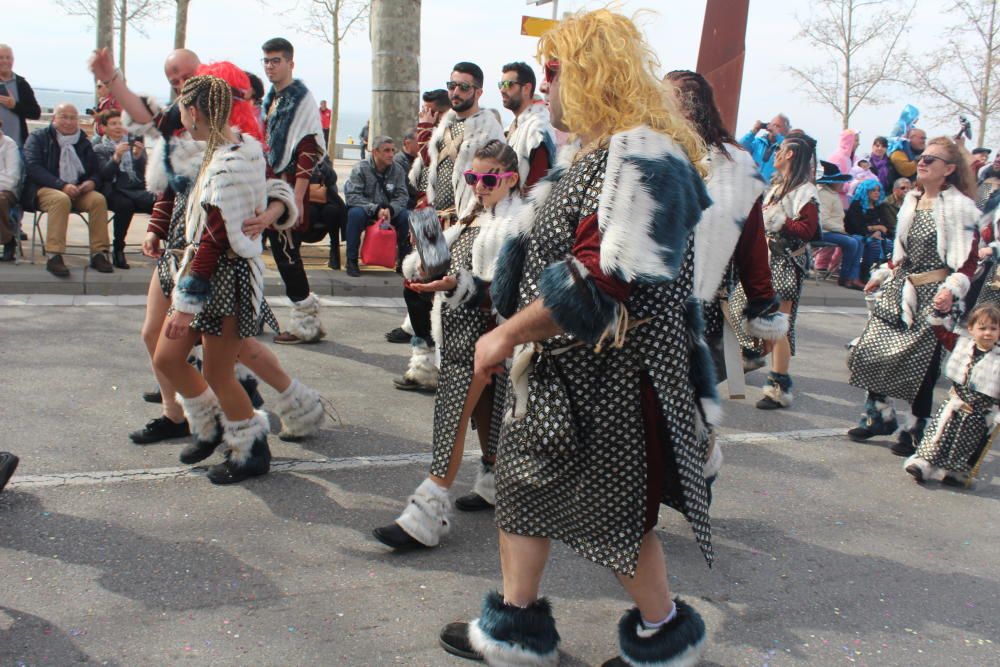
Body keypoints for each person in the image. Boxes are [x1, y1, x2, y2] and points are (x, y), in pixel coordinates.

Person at [436, 11, 713, 665]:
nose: (545, 87)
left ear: (586, 75)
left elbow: (597, 283)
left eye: (553, 73)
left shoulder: (644, 155)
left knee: (617, 516)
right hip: (571, 371)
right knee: (526, 488)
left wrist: (504, 333)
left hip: (614, 376)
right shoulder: (595, 153)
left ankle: (664, 634)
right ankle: (517, 625)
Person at [373, 140, 524, 550]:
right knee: (483, 417)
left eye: (488, 178)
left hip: (487, 338)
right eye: (472, 177)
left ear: (511, 178)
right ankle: (495, 485)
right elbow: (446, 269)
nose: (478, 185)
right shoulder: (470, 216)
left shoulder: (520, 224)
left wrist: (460, 285)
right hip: (456, 335)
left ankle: (425, 515)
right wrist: (425, 265)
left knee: (451, 421)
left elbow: (513, 294)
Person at [152, 74, 277, 485]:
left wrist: (186, 306)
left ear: (192, 111)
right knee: (167, 357)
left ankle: (251, 450)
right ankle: (210, 428)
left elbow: (212, 241)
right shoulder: (224, 149)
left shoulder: (230, 162)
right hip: (205, 272)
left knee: (220, 374)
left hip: (224, 278)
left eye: (183, 108)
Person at [847, 137, 980, 457]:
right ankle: (879, 415)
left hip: (935, 294)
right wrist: (881, 274)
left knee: (921, 365)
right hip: (900, 288)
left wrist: (951, 290)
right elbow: (900, 253)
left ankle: (916, 428)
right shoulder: (912, 199)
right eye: (922, 157)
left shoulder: (961, 207)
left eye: (931, 160)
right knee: (871, 351)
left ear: (948, 169)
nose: (923, 162)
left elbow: (968, 262)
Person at [664, 69, 785, 397]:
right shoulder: (653, 155)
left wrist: (762, 304)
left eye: (666, 101)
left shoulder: (734, 168)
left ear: (690, 109)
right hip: (645, 310)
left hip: (700, 312)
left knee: (690, 414)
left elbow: (752, 242)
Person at [395, 63, 504, 393]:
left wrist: (471, 220)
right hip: (432, 218)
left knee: (450, 293)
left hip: (463, 221)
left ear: (478, 92)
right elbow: (426, 173)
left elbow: (492, 178)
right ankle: (424, 363)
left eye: (464, 87)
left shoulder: (488, 131)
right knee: (414, 287)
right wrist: (421, 215)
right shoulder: (444, 125)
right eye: (452, 86)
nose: (456, 92)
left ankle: (454, 369)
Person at [258, 37, 327, 345]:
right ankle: (253, 312)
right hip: (264, 185)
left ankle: (305, 321)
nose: (270, 66)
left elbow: (308, 147)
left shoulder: (301, 99)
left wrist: (297, 194)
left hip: (287, 188)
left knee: (286, 253)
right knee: (261, 249)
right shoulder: (270, 98)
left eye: (276, 61)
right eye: (267, 61)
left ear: (290, 63)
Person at [752, 135, 820, 409]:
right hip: (767, 260)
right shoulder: (776, 187)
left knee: (779, 324)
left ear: (790, 154)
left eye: (779, 149)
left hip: (786, 264)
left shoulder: (806, 192)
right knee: (741, 310)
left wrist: (780, 221)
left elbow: (808, 230)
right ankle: (751, 356)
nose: (776, 153)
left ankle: (778, 387)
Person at [904, 304, 1000, 486]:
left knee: (964, 447)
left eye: (993, 329)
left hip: (977, 415)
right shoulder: (961, 344)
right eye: (982, 328)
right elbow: (942, 333)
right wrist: (938, 315)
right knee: (937, 437)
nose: (987, 333)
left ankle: (955, 473)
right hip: (954, 405)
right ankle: (922, 465)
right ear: (971, 329)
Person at [22, 103, 112, 277]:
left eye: (73, 118)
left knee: (98, 199)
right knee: (60, 199)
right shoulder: (38, 137)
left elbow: (95, 171)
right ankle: (54, 255)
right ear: (54, 118)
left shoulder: (83, 142)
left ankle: (99, 253)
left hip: (77, 188)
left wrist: (92, 182)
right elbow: (33, 167)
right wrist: (61, 185)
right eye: (64, 117)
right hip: (45, 189)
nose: (69, 122)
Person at [92, 109, 154, 269]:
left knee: (160, 204)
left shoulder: (133, 144)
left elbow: (143, 173)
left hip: (135, 188)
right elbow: (104, 174)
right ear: (104, 128)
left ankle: (162, 246)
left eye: (120, 123)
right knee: (125, 205)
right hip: (113, 189)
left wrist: (139, 157)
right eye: (113, 124)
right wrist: (116, 158)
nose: (118, 127)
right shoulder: (99, 148)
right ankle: (118, 249)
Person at [343, 135, 410, 276]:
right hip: (366, 208)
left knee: (406, 216)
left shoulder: (398, 170)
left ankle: (403, 261)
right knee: (354, 214)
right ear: (375, 152)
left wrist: (391, 209)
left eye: (393, 150)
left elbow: (402, 196)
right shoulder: (360, 168)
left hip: (389, 210)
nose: (391, 154)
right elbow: (352, 196)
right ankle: (351, 260)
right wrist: (375, 209)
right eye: (386, 150)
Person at [498, 61, 554, 191]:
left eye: (508, 84)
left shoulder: (538, 127)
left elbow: (537, 182)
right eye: (501, 84)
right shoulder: (512, 126)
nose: (502, 90)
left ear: (526, 88)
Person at [816, 160, 865, 290]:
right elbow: (823, 220)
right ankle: (844, 277)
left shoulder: (832, 195)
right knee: (851, 242)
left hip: (832, 231)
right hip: (823, 232)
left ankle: (852, 276)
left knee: (858, 240)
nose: (842, 184)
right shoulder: (825, 195)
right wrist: (841, 231)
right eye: (839, 181)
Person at [307, 155, 347, 270]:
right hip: (306, 199)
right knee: (310, 212)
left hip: (326, 198)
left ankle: (334, 251)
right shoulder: (297, 155)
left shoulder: (323, 158)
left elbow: (332, 179)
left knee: (332, 212)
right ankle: (295, 248)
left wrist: (321, 164)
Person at [846, 179, 891, 279]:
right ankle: (864, 274)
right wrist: (875, 229)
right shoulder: (856, 205)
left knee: (889, 245)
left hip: (875, 235)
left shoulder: (878, 206)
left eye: (878, 190)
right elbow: (856, 226)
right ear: (865, 191)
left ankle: (880, 275)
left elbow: (885, 226)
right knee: (875, 245)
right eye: (873, 190)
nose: (876, 193)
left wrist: (878, 230)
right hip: (857, 234)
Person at [0, 44, 41, 149]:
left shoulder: (21, 84)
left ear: (13, 60)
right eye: (1, 57)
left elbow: (35, 113)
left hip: (17, 147)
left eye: (8, 57)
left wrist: (14, 106)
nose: (5, 61)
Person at [739, 112, 790, 180]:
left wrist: (777, 135)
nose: (774, 128)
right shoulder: (758, 142)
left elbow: (788, 150)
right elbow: (740, 146)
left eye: (778, 126)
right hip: (752, 184)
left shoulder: (785, 146)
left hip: (771, 187)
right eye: (773, 125)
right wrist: (753, 131)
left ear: (786, 131)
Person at [0, 117, 21, 261]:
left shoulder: (9, 144)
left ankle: (7, 240)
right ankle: (8, 236)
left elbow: (12, 177)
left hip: (6, 189)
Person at [394, 127, 420, 211]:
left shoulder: (420, 159)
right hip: (406, 205)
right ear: (408, 143)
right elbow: (406, 190)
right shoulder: (398, 161)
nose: (423, 145)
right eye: (419, 142)